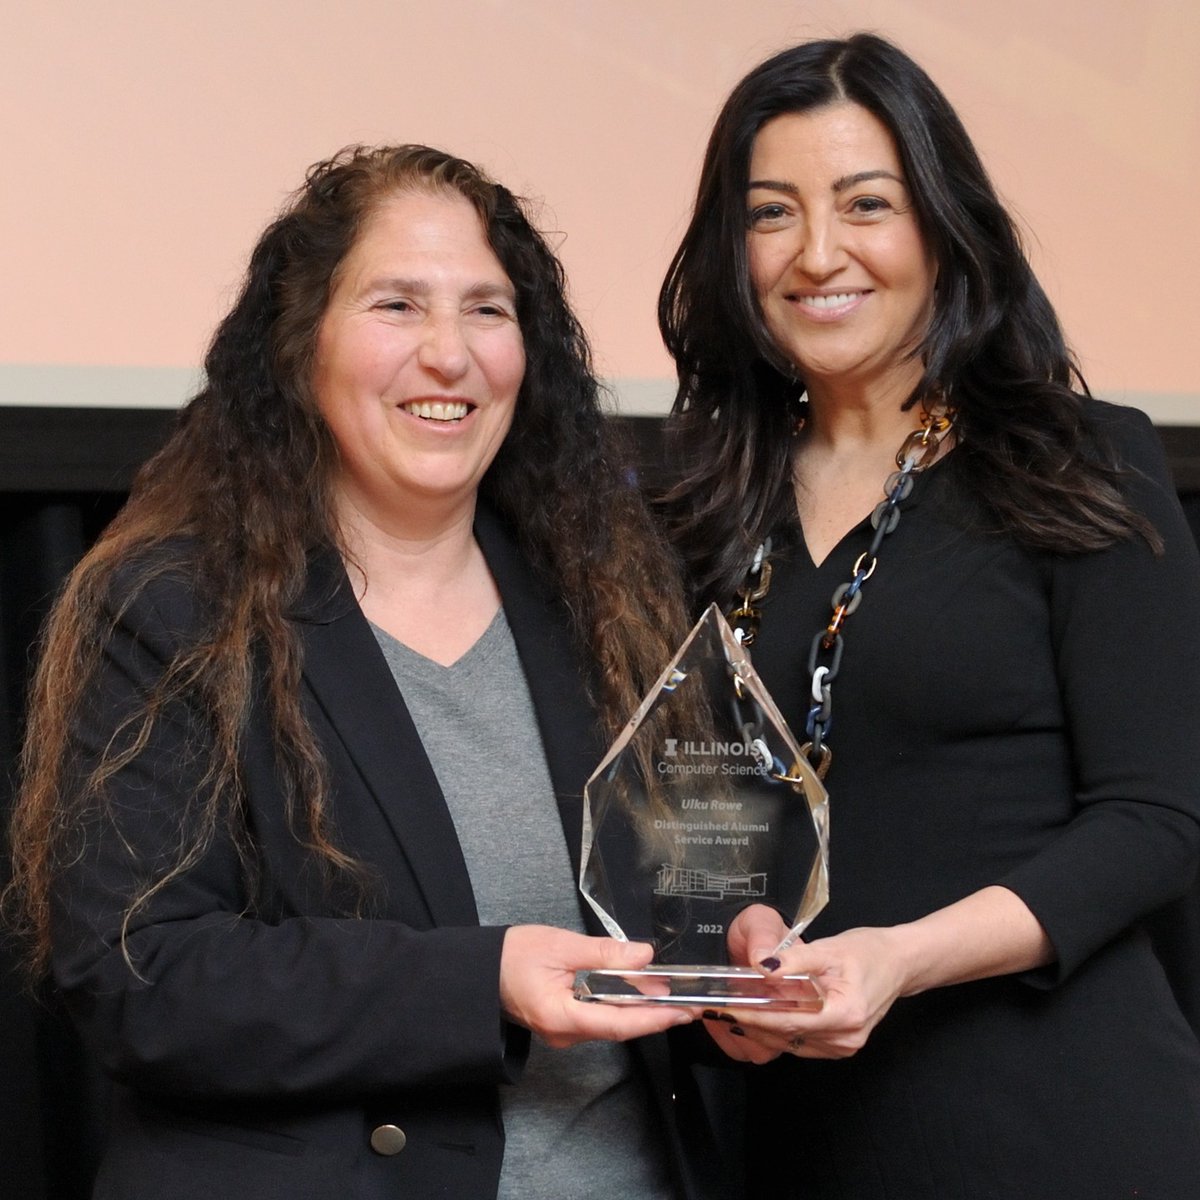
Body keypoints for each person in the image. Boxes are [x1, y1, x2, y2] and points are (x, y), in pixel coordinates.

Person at [4, 144, 725, 1200]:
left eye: (487, 310)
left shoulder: (608, 602)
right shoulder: (170, 608)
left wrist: (729, 951)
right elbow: (140, 977)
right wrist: (483, 982)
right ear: (301, 348)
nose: (450, 355)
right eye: (397, 306)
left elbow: (669, 904)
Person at [657, 33, 1200, 1199]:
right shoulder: (700, 510)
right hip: (793, 1133)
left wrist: (901, 960)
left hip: (1059, 1125)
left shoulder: (1079, 465)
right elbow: (688, 823)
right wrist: (722, 969)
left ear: (945, 228)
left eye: (867, 204)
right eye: (770, 214)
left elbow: (1159, 817)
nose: (817, 254)